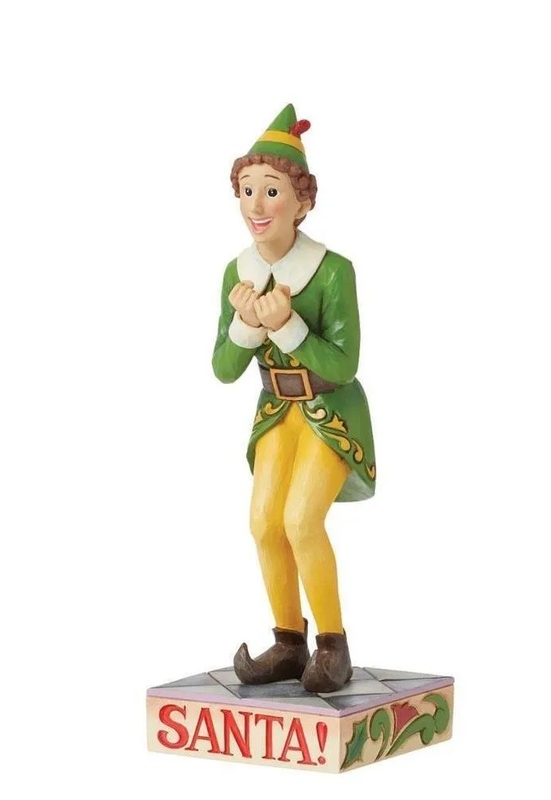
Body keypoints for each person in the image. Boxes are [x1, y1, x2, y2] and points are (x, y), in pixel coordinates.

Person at [212, 104, 376, 693]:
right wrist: (246, 325)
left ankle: (333, 645)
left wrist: (287, 327)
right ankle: (288, 642)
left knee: (302, 519)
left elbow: (344, 364)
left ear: (302, 203)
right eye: (247, 190)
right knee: (264, 523)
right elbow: (224, 368)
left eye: (272, 191)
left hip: (328, 412)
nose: (256, 206)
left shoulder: (333, 272)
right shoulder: (237, 273)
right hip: (277, 412)